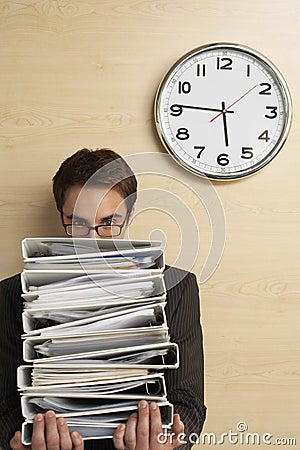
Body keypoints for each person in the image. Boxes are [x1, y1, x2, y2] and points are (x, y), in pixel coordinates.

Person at [0, 148, 206, 450]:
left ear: (130, 215)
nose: (92, 243)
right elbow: (4, 405)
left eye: (109, 222)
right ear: (61, 217)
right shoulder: (11, 295)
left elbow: (189, 402)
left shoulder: (177, 287)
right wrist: (23, 442)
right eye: (78, 223)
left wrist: (169, 443)